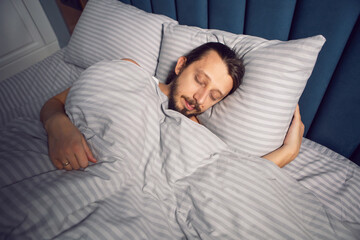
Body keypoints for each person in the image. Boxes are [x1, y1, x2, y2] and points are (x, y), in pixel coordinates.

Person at [40, 42, 304, 171]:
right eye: (199, 81)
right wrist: (58, 126)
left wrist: (289, 151)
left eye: (213, 96)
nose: (200, 99)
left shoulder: (196, 130)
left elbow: (230, 175)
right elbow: (55, 103)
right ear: (180, 66)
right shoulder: (132, 72)